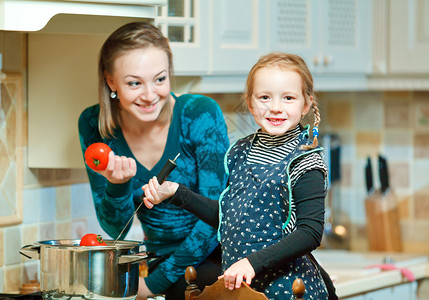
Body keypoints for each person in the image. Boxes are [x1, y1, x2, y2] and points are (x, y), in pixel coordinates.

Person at [142, 52, 338, 300]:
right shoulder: (241, 151)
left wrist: (251, 263)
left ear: (306, 104)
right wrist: (175, 193)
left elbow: (310, 232)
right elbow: (231, 217)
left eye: (288, 98)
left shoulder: (305, 160)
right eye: (264, 97)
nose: (276, 107)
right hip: (243, 291)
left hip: (288, 290)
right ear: (250, 102)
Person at [78, 22, 229, 300]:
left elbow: (218, 217)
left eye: (159, 79)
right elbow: (115, 229)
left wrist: (153, 284)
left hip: (220, 258)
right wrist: (118, 185)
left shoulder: (199, 114)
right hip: (161, 264)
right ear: (111, 81)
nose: (149, 96)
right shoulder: (94, 126)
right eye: (134, 83)